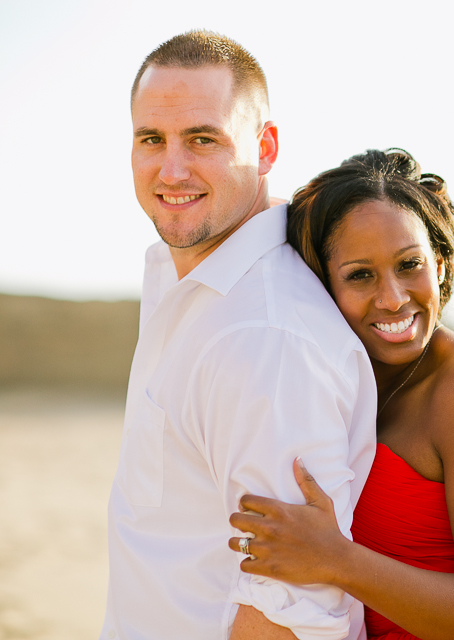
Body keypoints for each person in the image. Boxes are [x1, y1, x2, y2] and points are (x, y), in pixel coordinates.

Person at [228, 149, 454, 640]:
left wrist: (336, 560)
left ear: (441, 264)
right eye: (360, 275)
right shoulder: (333, 379)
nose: (392, 298)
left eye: (409, 265)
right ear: (321, 284)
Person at [102, 30, 377, 640]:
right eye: (152, 139)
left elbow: (292, 608)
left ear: (266, 145)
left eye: (203, 139)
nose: (171, 169)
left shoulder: (265, 335)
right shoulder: (194, 282)